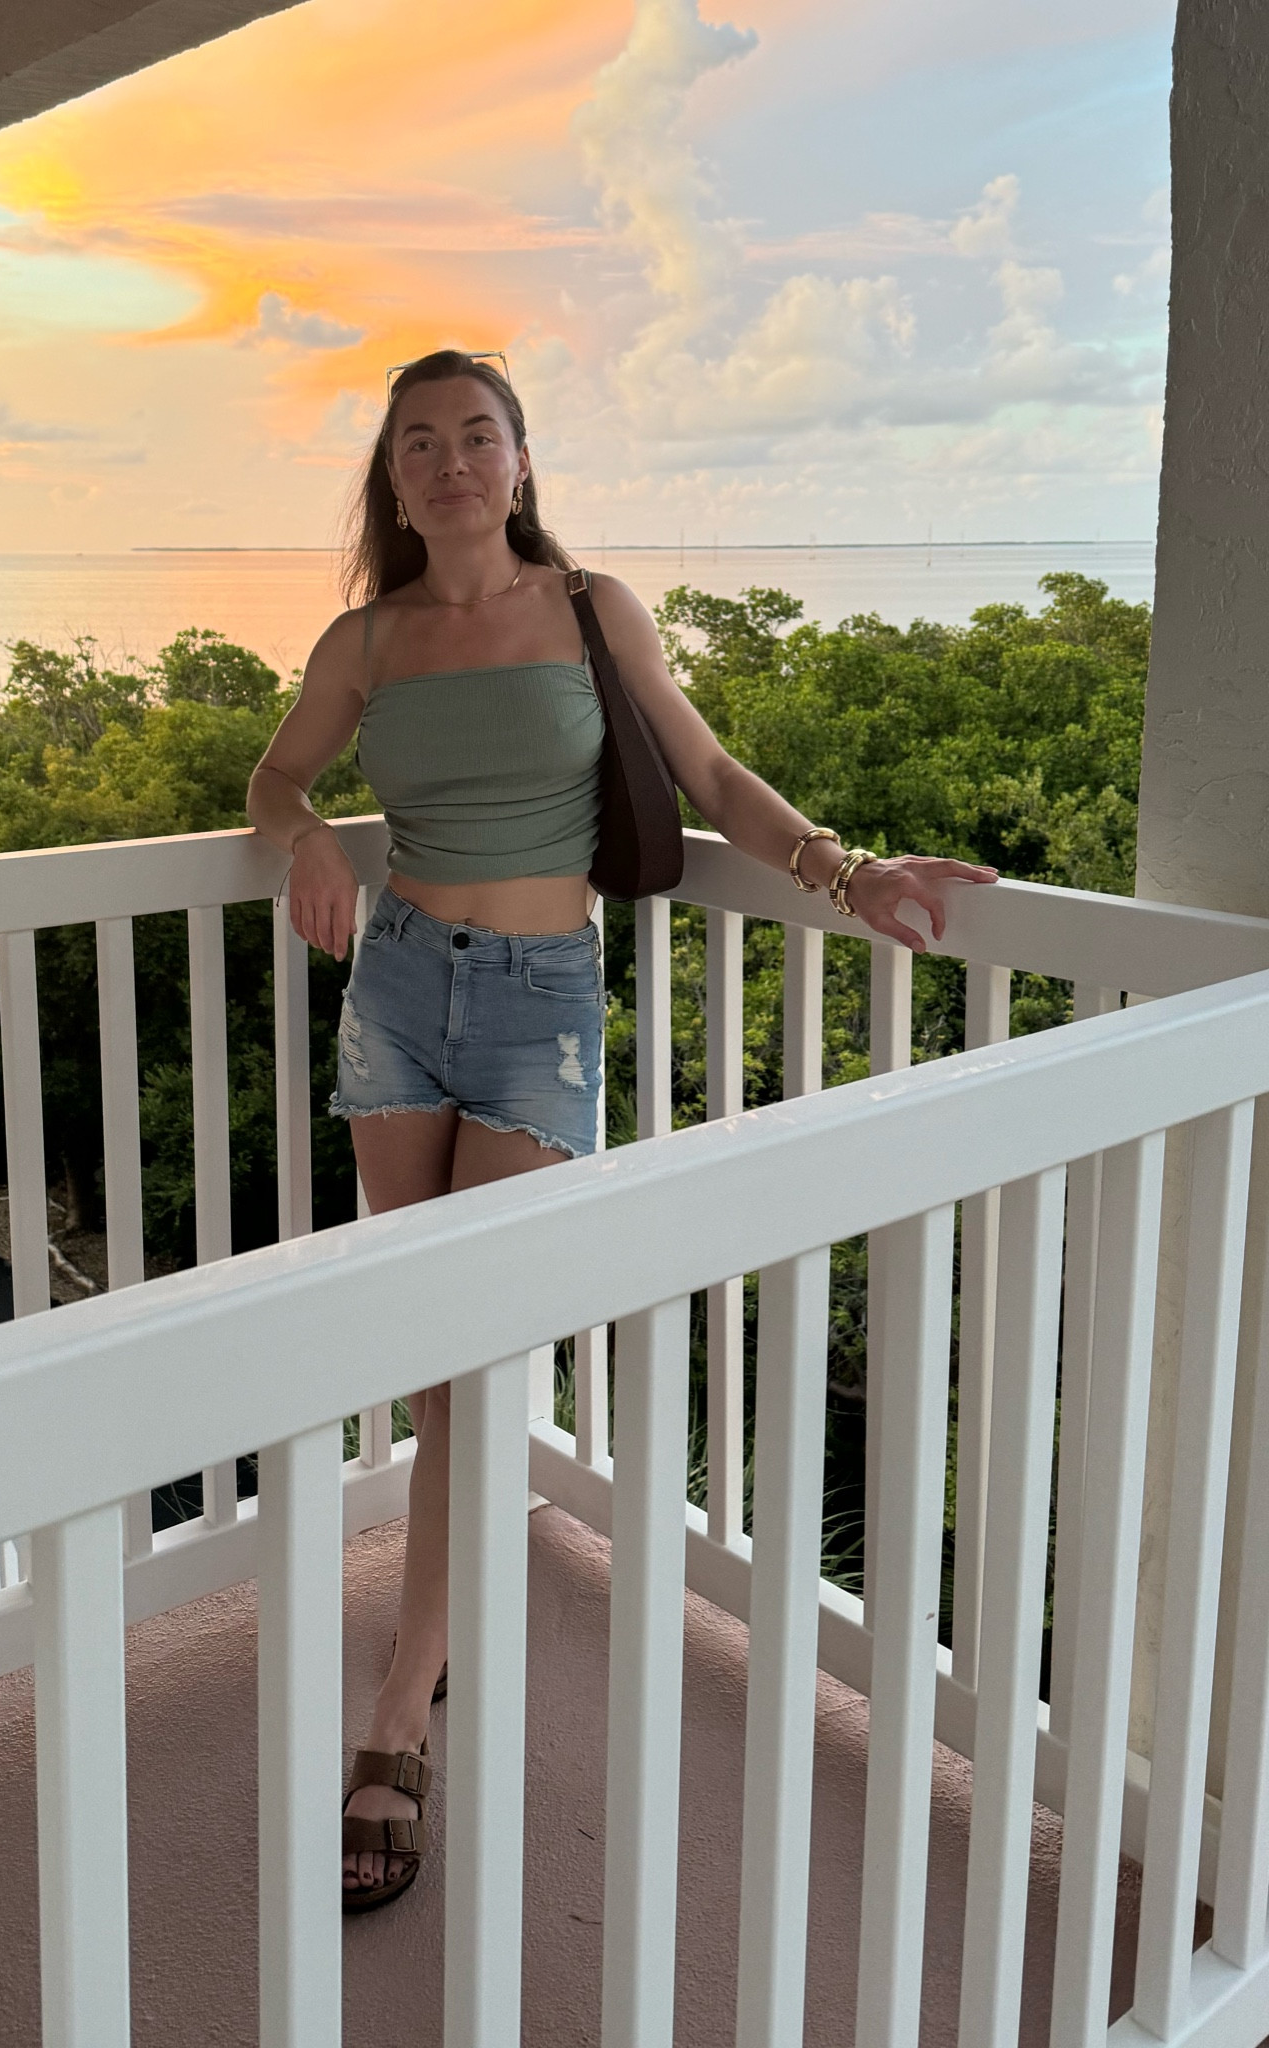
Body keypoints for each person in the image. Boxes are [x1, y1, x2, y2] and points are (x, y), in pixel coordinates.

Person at [245, 348, 996, 1911]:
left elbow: (706, 768)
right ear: (393, 478)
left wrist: (847, 873)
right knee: (427, 1344)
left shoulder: (592, 608)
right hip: (398, 987)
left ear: (520, 462)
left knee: (475, 1348)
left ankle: (402, 1706)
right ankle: (434, 1637)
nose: (451, 461)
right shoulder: (365, 638)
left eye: (478, 434)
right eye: (419, 441)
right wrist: (303, 836)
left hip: (539, 1004)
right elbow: (275, 777)